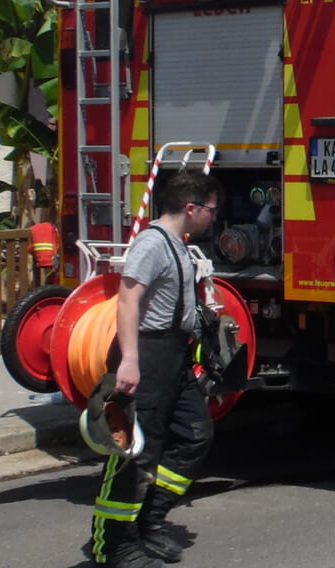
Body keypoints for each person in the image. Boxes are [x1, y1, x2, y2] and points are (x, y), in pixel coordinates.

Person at [90, 169, 222, 568]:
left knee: (195, 435)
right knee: (134, 453)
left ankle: (150, 518)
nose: (214, 217)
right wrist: (130, 360)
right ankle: (114, 546)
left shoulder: (178, 245)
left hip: (173, 358)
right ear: (190, 207)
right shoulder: (152, 244)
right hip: (145, 354)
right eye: (211, 210)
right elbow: (128, 301)